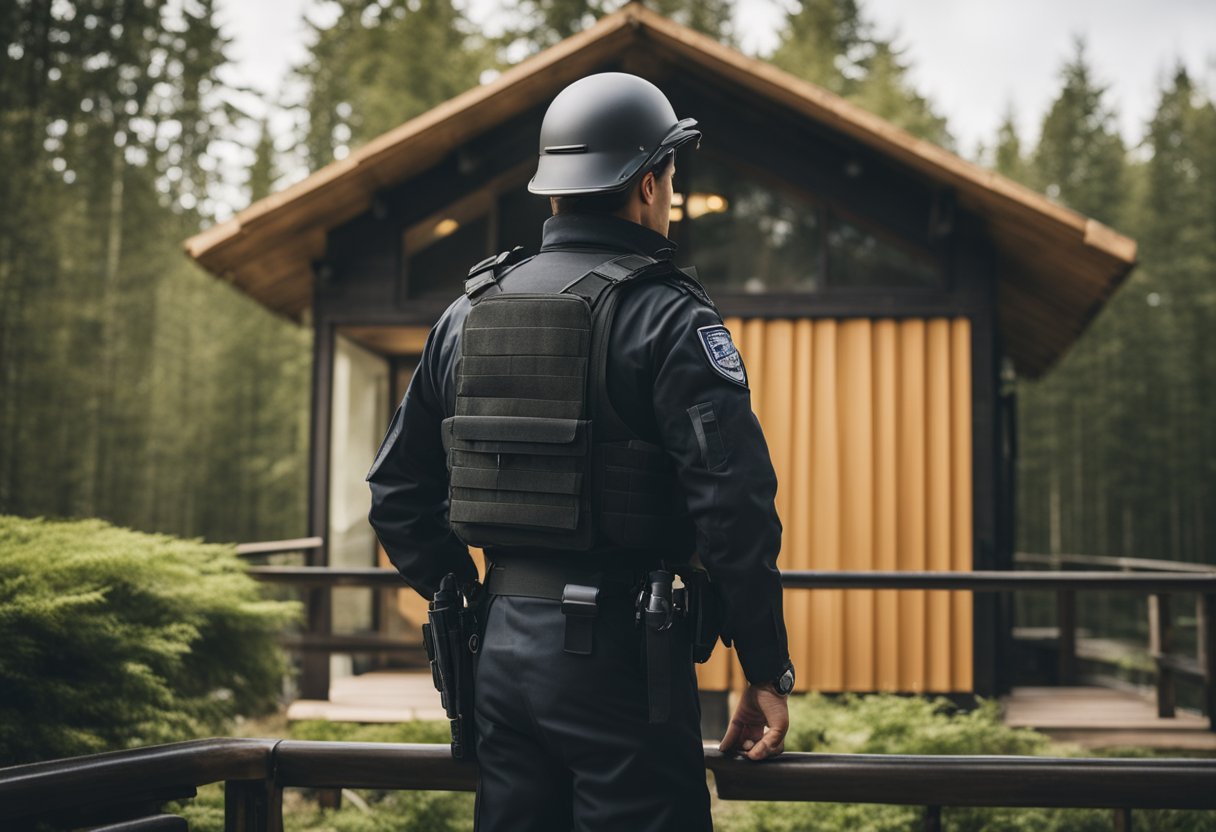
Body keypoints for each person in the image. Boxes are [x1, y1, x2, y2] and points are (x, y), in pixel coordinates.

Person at [367, 72, 793, 832]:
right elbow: (734, 510)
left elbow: (397, 492)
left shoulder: (466, 313)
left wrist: (468, 604)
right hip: (627, 665)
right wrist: (764, 666)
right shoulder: (668, 318)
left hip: (498, 660)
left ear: (554, 187)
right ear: (649, 184)